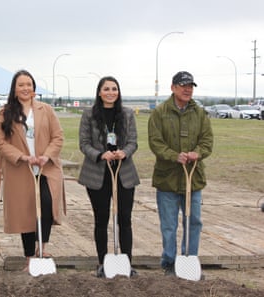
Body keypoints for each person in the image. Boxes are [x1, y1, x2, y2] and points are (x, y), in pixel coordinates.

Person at [0, 70, 65, 271]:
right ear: (14, 89)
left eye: (29, 84)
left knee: (47, 205)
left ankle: (43, 249)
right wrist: (23, 157)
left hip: (45, 168)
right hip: (21, 170)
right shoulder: (5, 113)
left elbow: (58, 137)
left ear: (34, 89)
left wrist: (46, 156)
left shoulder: (46, 110)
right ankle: (30, 256)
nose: (25, 88)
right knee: (26, 211)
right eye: (21, 85)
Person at [148, 71, 213, 276]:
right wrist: (174, 155)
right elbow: (155, 142)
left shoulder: (200, 113)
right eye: (183, 85)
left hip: (193, 179)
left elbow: (207, 141)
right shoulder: (159, 112)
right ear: (173, 87)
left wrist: (198, 153)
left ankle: (190, 260)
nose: (187, 89)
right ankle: (169, 262)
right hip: (167, 178)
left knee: (193, 221)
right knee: (169, 224)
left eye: (191, 86)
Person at [78, 76, 140, 278]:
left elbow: (133, 141)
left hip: (124, 173)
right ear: (99, 92)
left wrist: (125, 152)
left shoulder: (127, 114)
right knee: (101, 219)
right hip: (98, 174)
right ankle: (103, 262)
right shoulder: (89, 114)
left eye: (114, 89)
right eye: (107, 89)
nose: (111, 92)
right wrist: (100, 154)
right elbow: (84, 143)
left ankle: (127, 263)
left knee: (124, 218)